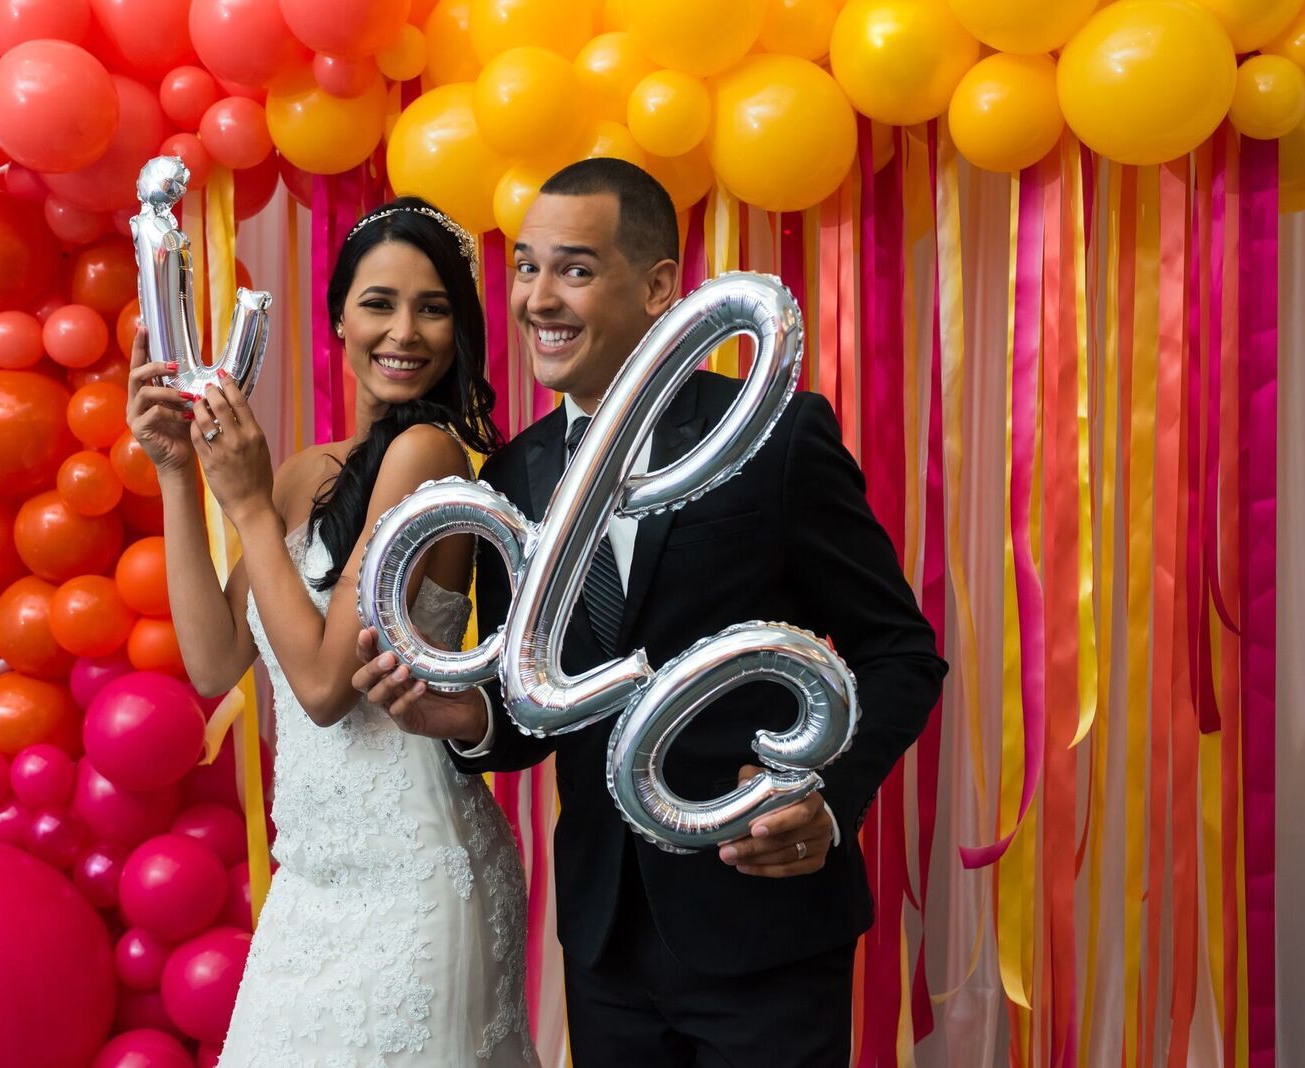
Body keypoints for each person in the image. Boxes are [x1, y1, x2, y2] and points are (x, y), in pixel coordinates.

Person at [353, 159, 948, 1066]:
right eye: (526, 268)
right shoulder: (516, 475)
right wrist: (460, 722)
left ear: (661, 286)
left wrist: (828, 800)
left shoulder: (777, 434)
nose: (539, 300)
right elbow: (532, 706)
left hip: (765, 931)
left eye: (577, 270)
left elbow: (900, 652)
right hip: (605, 943)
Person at [125, 196, 539, 1067]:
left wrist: (242, 500)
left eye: (434, 307)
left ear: (461, 330)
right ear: (339, 319)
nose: (405, 331)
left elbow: (319, 688)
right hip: (311, 886)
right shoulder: (308, 470)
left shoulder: (428, 455)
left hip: (415, 878)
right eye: (380, 303)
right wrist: (176, 476)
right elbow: (212, 661)